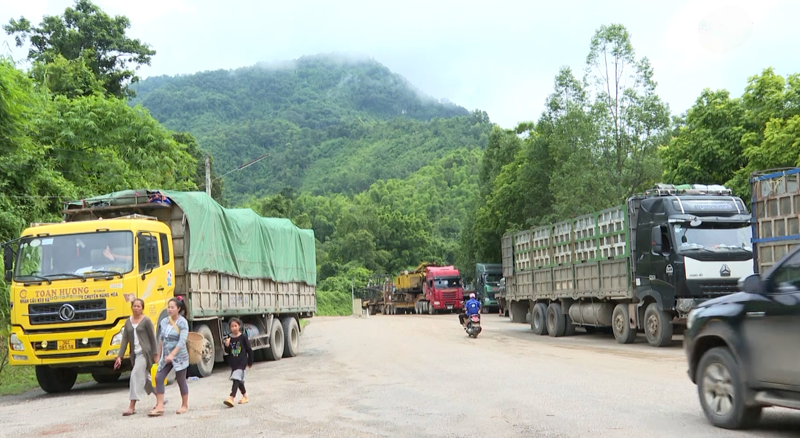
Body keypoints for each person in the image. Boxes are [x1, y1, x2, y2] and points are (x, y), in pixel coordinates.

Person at [114, 299, 157, 416]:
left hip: (145, 353)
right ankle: (161, 398)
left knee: (134, 376)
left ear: (142, 308)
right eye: (134, 306)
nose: (136, 308)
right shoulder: (128, 322)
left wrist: (155, 354)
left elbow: (153, 339)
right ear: (131, 307)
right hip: (135, 354)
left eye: (139, 306)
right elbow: (124, 340)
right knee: (146, 379)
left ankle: (131, 406)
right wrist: (120, 357)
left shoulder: (146, 321)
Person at [149, 297, 190, 417]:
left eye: (172, 307)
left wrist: (173, 354)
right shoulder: (163, 321)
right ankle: (160, 406)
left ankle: (184, 405)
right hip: (166, 356)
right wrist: (158, 354)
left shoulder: (182, 322)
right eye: (168, 307)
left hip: (180, 356)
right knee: (158, 377)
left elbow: (182, 341)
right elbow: (162, 339)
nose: (170, 309)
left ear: (178, 309)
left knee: (181, 380)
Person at [223, 317, 253, 407]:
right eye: (232, 326)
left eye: (236, 326)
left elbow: (249, 350)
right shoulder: (229, 337)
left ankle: (232, 397)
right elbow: (228, 352)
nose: (234, 328)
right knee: (239, 381)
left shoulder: (243, 337)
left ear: (239, 326)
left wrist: (250, 361)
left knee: (236, 379)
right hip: (234, 362)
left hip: (242, 362)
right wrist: (227, 345)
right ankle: (245, 396)